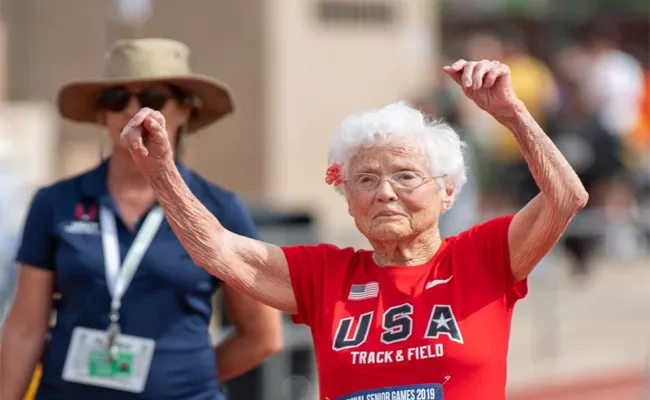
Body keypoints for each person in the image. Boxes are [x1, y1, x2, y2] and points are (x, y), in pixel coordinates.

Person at [120, 59, 588, 399]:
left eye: (405, 175)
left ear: (447, 192)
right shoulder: (325, 274)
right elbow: (218, 251)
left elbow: (566, 197)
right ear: (348, 201)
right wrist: (160, 171)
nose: (384, 192)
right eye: (365, 180)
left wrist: (511, 114)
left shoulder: (482, 256)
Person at [0, 38, 283, 400]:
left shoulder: (220, 209)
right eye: (116, 97)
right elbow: (25, 327)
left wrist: (186, 376)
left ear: (185, 111)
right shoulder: (54, 203)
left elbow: (262, 335)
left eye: (152, 97)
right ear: (102, 113)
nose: (133, 108)